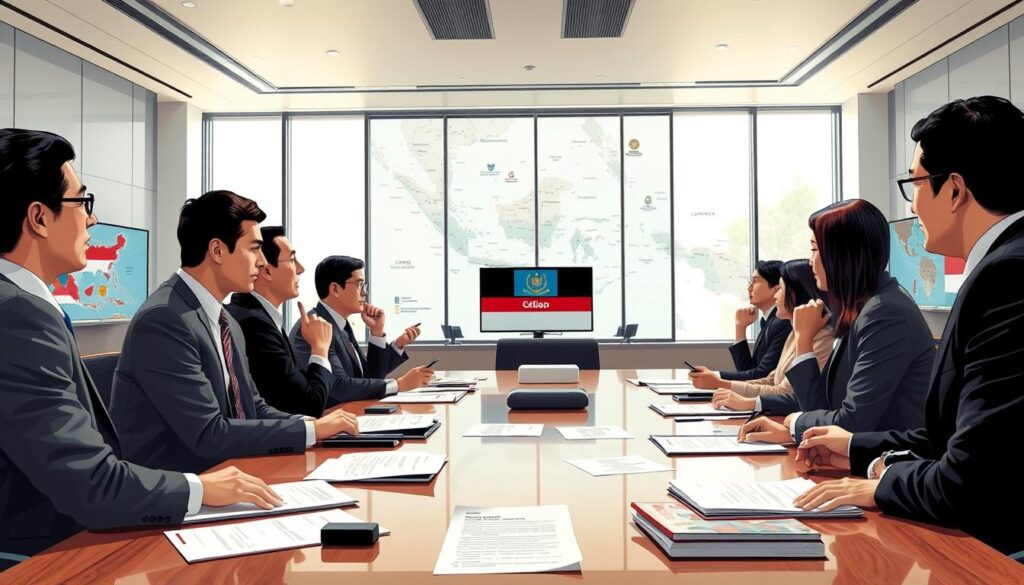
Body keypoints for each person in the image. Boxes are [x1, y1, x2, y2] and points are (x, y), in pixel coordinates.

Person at [0, 130, 282, 558]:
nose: (92, 220)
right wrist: (202, 489)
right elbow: (90, 485)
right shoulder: (18, 317)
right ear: (39, 217)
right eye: (82, 202)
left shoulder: (27, 308)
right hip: (46, 552)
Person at [791, 96, 1024, 557]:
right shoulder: (1000, 267)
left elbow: (972, 476)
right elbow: (962, 435)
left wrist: (877, 486)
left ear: (954, 191)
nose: (913, 205)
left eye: (915, 183)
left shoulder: (1007, 278)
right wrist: (856, 448)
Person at [111, 191, 359, 474]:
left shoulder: (225, 320)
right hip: (185, 489)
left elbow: (254, 407)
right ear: (217, 251)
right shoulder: (165, 319)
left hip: (230, 473)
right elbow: (209, 434)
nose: (263, 262)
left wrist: (310, 426)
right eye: (254, 248)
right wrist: (311, 432)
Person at [739, 199, 933, 444]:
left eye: (814, 249)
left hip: (879, 468)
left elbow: (852, 423)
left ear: (842, 255)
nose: (811, 262)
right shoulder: (862, 308)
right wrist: (792, 430)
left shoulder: (884, 313)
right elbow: (824, 405)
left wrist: (795, 423)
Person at [290, 256, 433, 406]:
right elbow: (339, 387)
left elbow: (369, 377)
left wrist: (377, 332)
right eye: (359, 285)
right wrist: (399, 384)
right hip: (328, 419)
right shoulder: (312, 326)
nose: (364, 293)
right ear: (335, 289)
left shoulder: (340, 324)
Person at [226, 226, 333, 417]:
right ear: (266, 271)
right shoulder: (254, 324)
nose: (300, 268)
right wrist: (319, 349)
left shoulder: (260, 316)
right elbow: (311, 404)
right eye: (292, 260)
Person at [709, 259, 834, 411]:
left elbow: (786, 391)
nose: (776, 295)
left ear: (796, 293)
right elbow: (772, 380)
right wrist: (726, 387)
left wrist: (723, 385)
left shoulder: (821, 337)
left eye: (780, 288)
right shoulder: (794, 333)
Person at [689, 260, 791, 386]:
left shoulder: (783, 323)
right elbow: (747, 370)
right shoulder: (769, 320)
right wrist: (740, 328)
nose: (749, 288)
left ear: (775, 289)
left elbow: (762, 375)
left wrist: (716, 377)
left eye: (755, 281)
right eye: (750, 282)